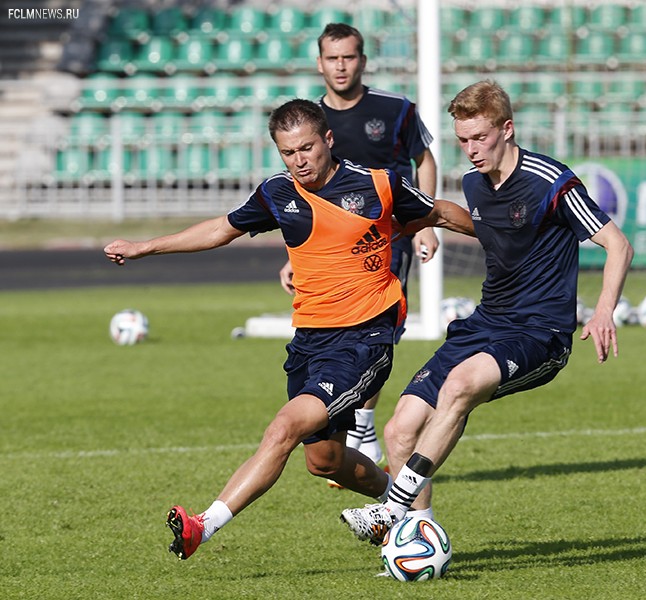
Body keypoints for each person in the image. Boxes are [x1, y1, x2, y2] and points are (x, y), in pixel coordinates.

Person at [103, 99, 474, 560]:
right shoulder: (278, 193)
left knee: (284, 427)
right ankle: (397, 509)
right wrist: (144, 247)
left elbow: (438, 212)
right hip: (309, 342)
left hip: (364, 340)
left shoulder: (377, 184)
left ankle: (204, 526)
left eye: (307, 148)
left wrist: (505, 237)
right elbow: (221, 229)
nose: (299, 161)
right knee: (326, 462)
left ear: (328, 140)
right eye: (288, 153)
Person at [340, 80, 634, 545]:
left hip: (541, 331)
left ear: (507, 128)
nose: (471, 150)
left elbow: (617, 243)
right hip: (486, 322)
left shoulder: (551, 180)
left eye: (480, 137)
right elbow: (490, 230)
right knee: (399, 430)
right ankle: (419, 540)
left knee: (459, 387)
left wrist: (602, 312)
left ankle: (390, 510)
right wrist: (425, 220)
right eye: (463, 140)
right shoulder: (475, 183)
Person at [279, 22, 439, 469]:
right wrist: (292, 256)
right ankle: (348, 432)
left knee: (376, 328)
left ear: (362, 60)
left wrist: (425, 223)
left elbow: (423, 160)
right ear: (319, 63)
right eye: (332, 58)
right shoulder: (307, 121)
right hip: (325, 248)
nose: (341, 66)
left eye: (349, 57)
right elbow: (299, 199)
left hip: (385, 237)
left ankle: (363, 425)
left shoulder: (394, 109)